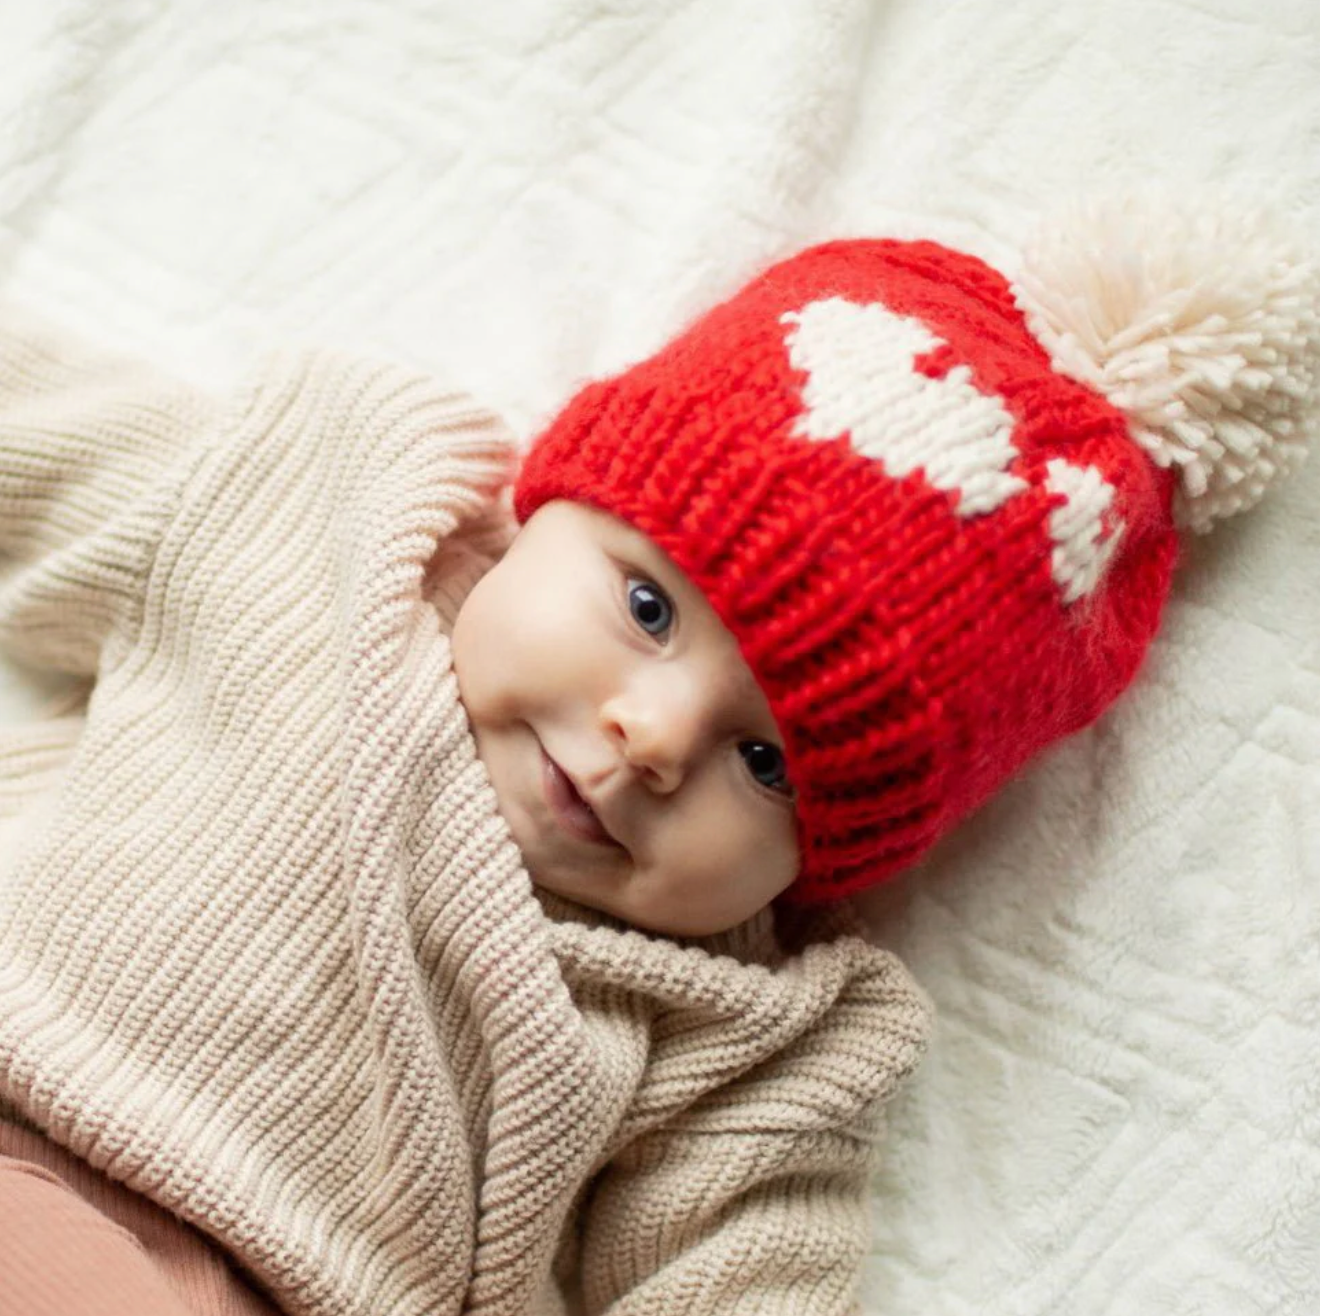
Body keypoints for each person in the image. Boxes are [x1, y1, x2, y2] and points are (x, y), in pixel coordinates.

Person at [0, 204, 1315, 1316]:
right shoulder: (323, 529)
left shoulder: (746, 1034)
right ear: (550, 508)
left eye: (769, 763)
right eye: (645, 608)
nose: (654, 740)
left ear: (827, 858)